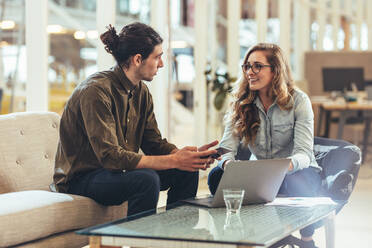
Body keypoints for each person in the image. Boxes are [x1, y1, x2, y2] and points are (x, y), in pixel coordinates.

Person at [53, 22, 218, 216]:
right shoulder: (96, 92)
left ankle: (175, 238)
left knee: (187, 170)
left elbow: (154, 143)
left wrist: (185, 156)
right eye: (157, 57)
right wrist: (174, 159)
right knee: (146, 179)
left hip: (115, 173)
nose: (162, 64)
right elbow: (111, 157)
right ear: (138, 59)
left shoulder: (141, 92)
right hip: (81, 178)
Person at [207, 43, 322, 248]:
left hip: (295, 171)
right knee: (216, 176)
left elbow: (304, 153)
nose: (250, 72)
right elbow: (225, 150)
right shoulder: (241, 103)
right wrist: (229, 166)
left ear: (276, 70)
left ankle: (306, 239)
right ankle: (244, 232)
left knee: (299, 182)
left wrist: (281, 168)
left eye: (257, 66)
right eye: (247, 66)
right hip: (261, 176)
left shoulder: (299, 101)